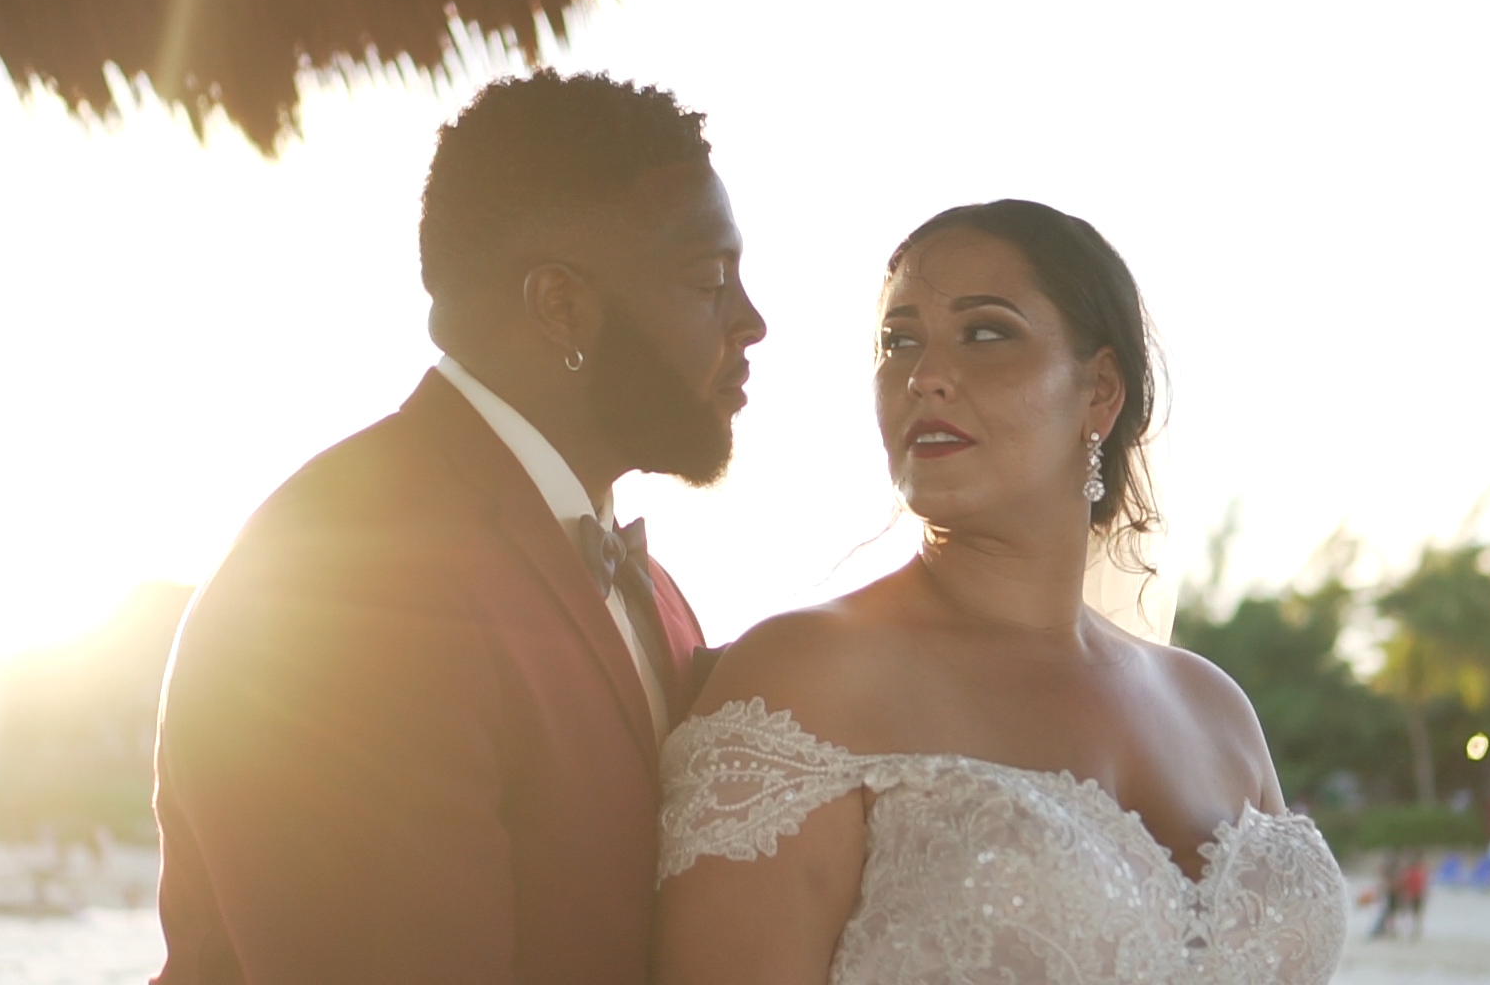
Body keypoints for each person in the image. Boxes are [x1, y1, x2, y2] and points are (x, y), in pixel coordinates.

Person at [152, 72, 765, 984]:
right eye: (708, 280)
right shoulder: (341, 583)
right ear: (561, 307)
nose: (752, 322)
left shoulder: (649, 589)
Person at [653, 201, 1347, 985]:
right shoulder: (807, 680)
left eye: (985, 333)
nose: (924, 376)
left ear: (1100, 391)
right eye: (899, 342)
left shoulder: (1215, 707)